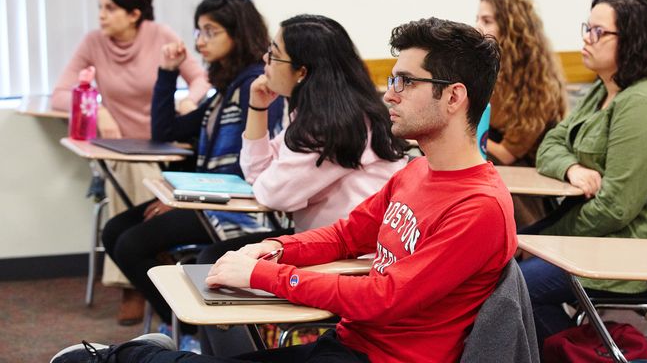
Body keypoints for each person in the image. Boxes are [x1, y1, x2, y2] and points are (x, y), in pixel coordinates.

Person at [52, 18, 518, 363]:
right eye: (391, 79)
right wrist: (272, 248)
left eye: (404, 81)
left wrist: (261, 277)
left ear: (454, 97)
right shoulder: (416, 172)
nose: (389, 94)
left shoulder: (479, 207)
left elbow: (382, 296)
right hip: (348, 343)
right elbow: (343, 237)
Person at [197, 14, 409, 355]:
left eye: (274, 54)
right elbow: (258, 174)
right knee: (214, 260)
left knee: (215, 262)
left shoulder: (336, 125)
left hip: (355, 264)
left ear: (302, 72)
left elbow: (269, 192)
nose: (265, 62)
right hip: (327, 247)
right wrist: (257, 107)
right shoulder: (320, 113)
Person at [520, 0, 647, 344]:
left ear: (632, 40)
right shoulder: (604, 90)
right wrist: (571, 167)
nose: (586, 39)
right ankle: (584, 351)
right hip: (609, 239)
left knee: (514, 287)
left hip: (646, 248)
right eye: (586, 29)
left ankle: (588, 353)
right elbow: (550, 144)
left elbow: (616, 206)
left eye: (597, 32)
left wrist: (545, 242)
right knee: (507, 282)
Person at [100, 0, 283, 343]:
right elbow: (165, 133)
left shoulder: (255, 86)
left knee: (131, 243)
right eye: (198, 32)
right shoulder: (226, 91)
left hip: (236, 206)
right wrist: (168, 74)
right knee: (116, 231)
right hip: (208, 197)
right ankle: (186, 324)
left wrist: (186, 199)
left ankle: (190, 330)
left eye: (210, 32)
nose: (200, 42)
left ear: (238, 33)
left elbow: (246, 168)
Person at [51, 0, 210, 324]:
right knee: (127, 169)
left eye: (110, 8)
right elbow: (60, 94)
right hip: (122, 150)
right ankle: (141, 272)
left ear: (134, 13)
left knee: (135, 173)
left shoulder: (161, 35)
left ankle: (136, 275)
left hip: (166, 146)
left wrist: (190, 101)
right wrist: (101, 109)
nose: (102, 16)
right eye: (100, 8)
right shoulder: (93, 43)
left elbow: (200, 79)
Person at [476, 0, 568, 227]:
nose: (477, 27)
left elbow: (508, 153)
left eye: (486, 20)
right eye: (477, 18)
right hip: (494, 171)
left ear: (511, 28)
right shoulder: (491, 71)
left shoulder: (539, 84)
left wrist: (459, 134)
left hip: (526, 191)